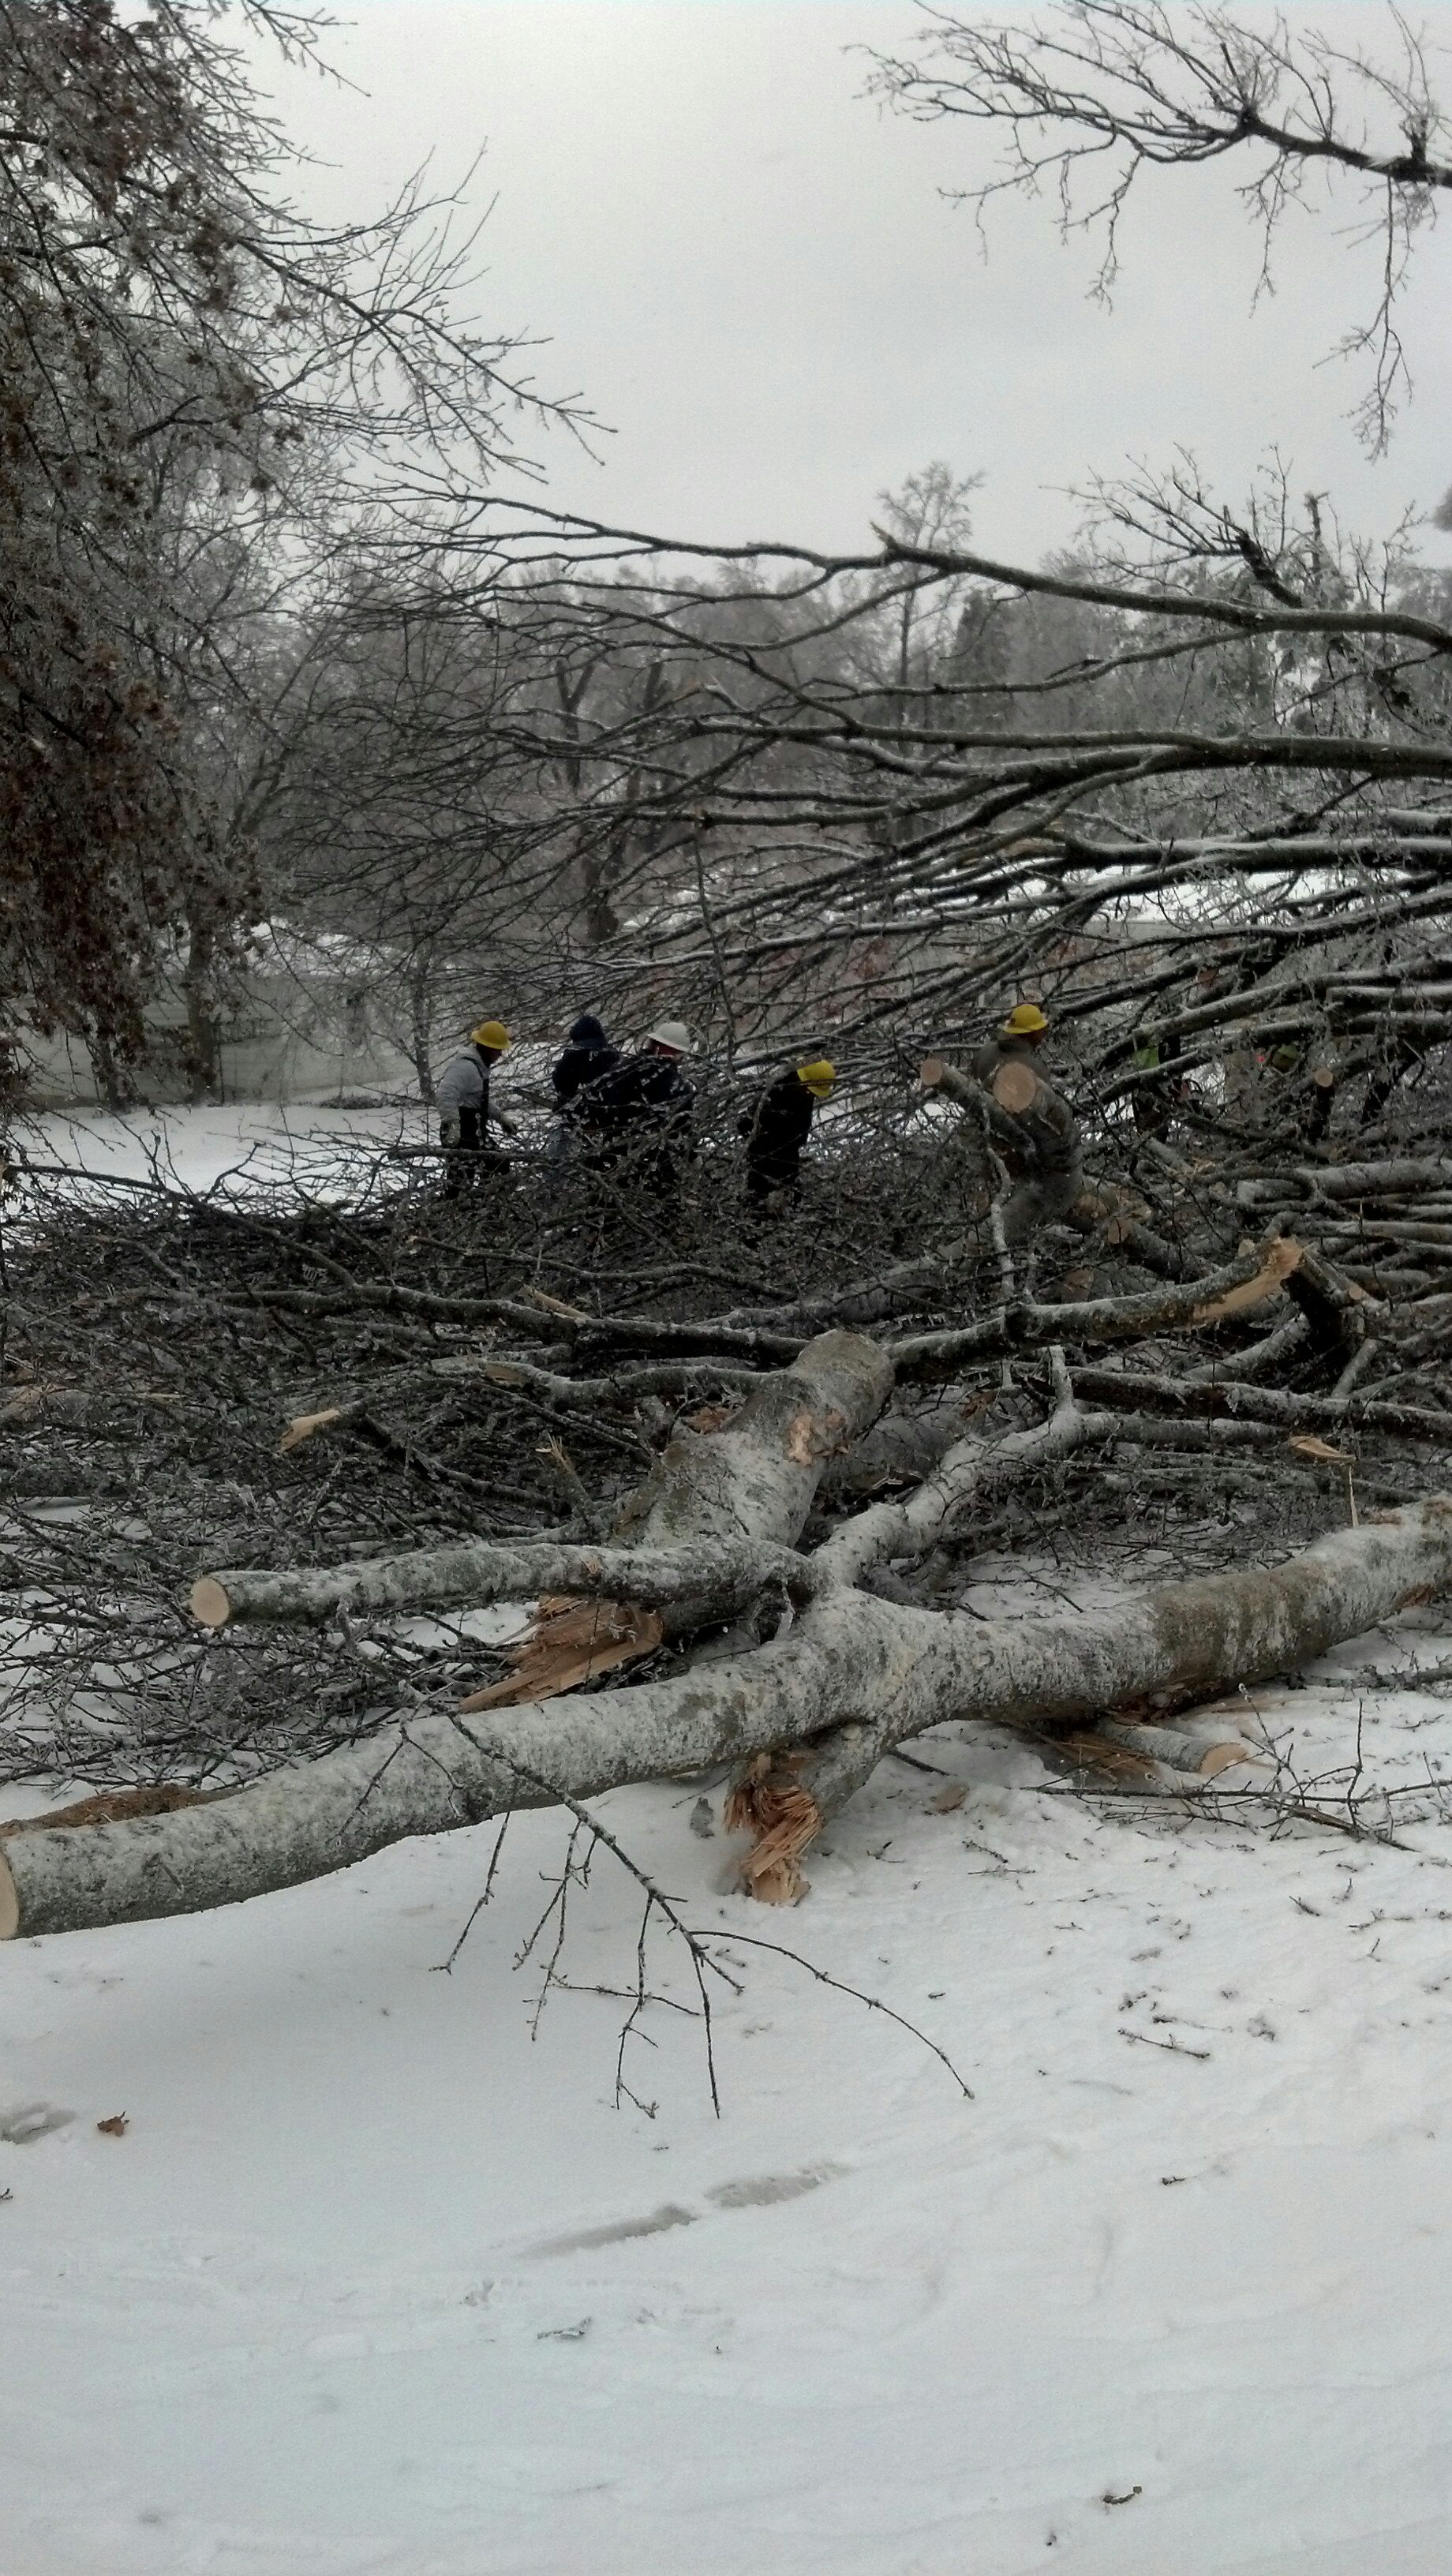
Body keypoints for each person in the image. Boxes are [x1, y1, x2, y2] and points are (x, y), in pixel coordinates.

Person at [971, 1001, 1083, 1245]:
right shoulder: (1033, 1070)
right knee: (1019, 1200)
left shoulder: (984, 1053)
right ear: (1031, 1033)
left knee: (991, 1193)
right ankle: (1008, 1243)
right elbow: (1039, 1118)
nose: (1044, 1034)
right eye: (1041, 1030)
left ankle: (983, 1231)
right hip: (1014, 1145)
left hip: (984, 1137)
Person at [589, 1018, 697, 1201]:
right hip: (646, 1155)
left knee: (603, 1206)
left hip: (606, 1151)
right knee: (667, 1203)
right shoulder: (671, 1083)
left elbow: (597, 1106)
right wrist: (692, 1155)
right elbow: (679, 1127)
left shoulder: (623, 1067)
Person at [740, 1058, 836, 1212]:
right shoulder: (779, 1091)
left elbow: (798, 1134)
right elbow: (747, 1124)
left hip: (787, 1159)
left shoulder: (803, 1094)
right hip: (765, 1160)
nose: (813, 1095)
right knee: (759, 1205)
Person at [435, 1020, 514, 1194]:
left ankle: (486, 1205)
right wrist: (453, 1124)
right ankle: (461, 1211)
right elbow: (445, 1094)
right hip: (461, 1131)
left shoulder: (478, 1068)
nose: (500, 1054)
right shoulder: (465, 1067)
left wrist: (500, 1117)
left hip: (473, 1130)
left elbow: (480, 1100)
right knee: (462, 1181)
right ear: (487, 1048)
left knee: (497, 1164)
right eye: (497, 1050)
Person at [550, 1011, 621, 1154]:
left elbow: (560, 1078)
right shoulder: (613, 1054)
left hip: (581, 1117)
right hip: (613, 1118)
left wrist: (564, 1101)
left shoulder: (575, 1051)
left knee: (563, 1152)